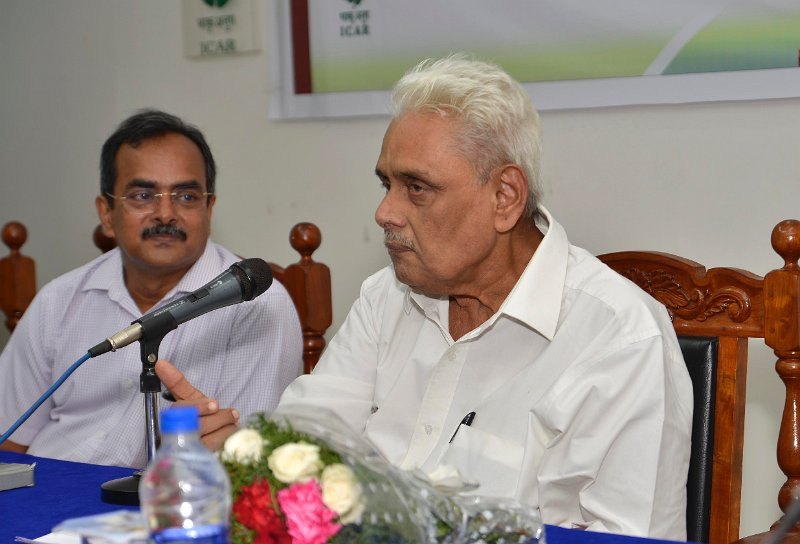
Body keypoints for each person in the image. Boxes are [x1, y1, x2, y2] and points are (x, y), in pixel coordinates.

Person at [275, 55, 694, 539]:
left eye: (416, 187)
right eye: (386, 184)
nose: (384, 211)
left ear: (505, 197)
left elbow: (632, 537)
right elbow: (297, 454)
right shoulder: (385, 296)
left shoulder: (621, 339)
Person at [0, 109, 303, 468]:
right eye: (143, 195)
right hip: (45, 486)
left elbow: (249, 461)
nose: (165, 214)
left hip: (166, 493)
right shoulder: (58, 300)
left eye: (186, 196)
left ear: (209, 209)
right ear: (106, 214)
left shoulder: (257, 306)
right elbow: (9, 441)